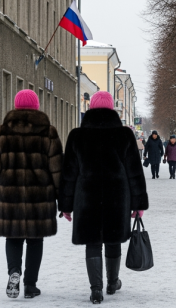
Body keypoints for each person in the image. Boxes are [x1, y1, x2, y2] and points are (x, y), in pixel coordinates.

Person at [59, 91, 149, 304]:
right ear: (112, 109)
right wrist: (138, 204)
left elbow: (69, 174)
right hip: (117, 198)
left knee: (92, 242)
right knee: (113, 239)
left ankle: (96, 290)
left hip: (86, 198)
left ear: (90, 108)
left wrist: (66, 205)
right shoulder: (125, 135)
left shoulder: (77, 136)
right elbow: (134, 172)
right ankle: (112, 282)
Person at [0, 89, 62, 299]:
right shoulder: (48, 132)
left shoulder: (2, 132)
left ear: (16, 106)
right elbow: (57, 169)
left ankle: (14, 271)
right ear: (37, 106)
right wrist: (63, 198)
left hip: (10, 197)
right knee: (35, 240)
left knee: (13, 237)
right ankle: (30, 285)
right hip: (40, 197)